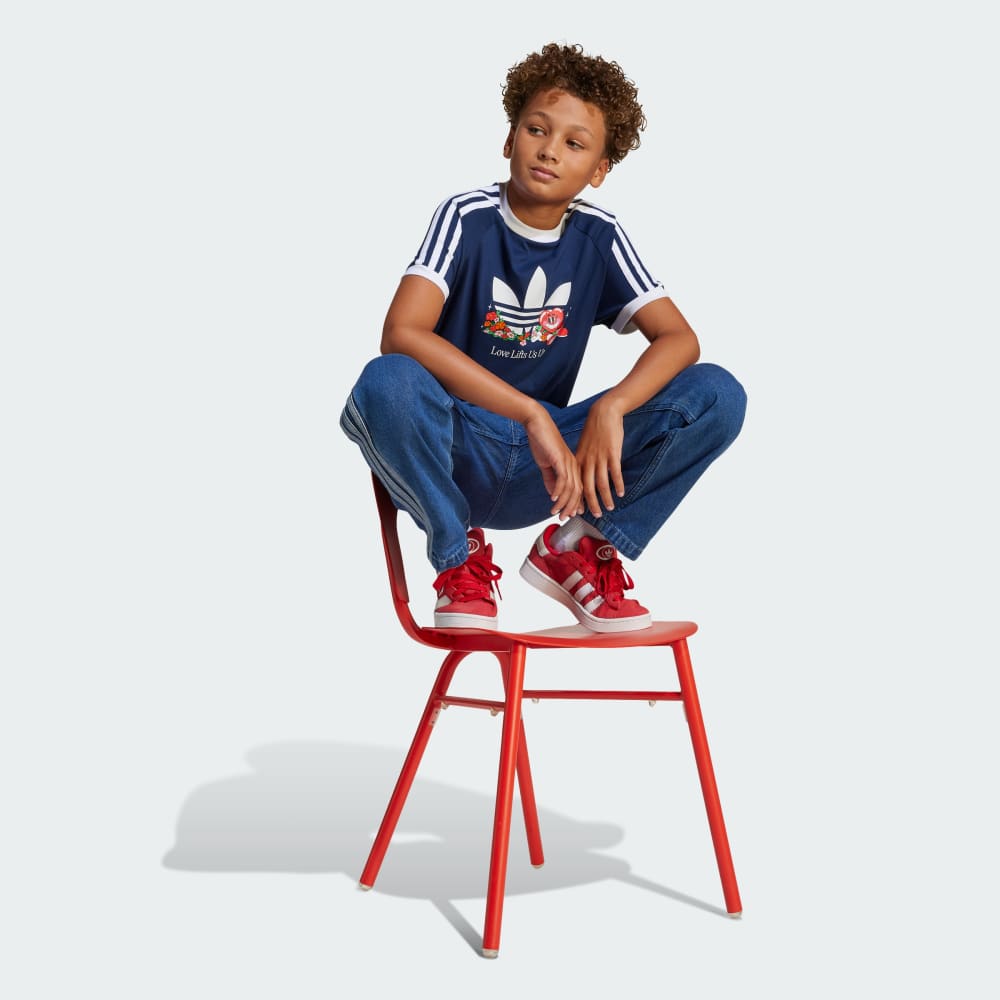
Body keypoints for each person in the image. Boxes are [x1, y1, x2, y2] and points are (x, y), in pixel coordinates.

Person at [341, 42, 746, 633]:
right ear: (510, 139)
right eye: (537, 130)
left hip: (555, 470)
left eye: (575, 144)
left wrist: (613, 406)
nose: (550, 150)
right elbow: (401, 331)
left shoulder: (598, 237)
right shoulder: (467, 217)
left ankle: (581, 548)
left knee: (716, 393)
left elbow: (680, 339)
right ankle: (457, 557)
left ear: (599, 171)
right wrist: (529, 413)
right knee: (387, 381)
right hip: (459, 449)